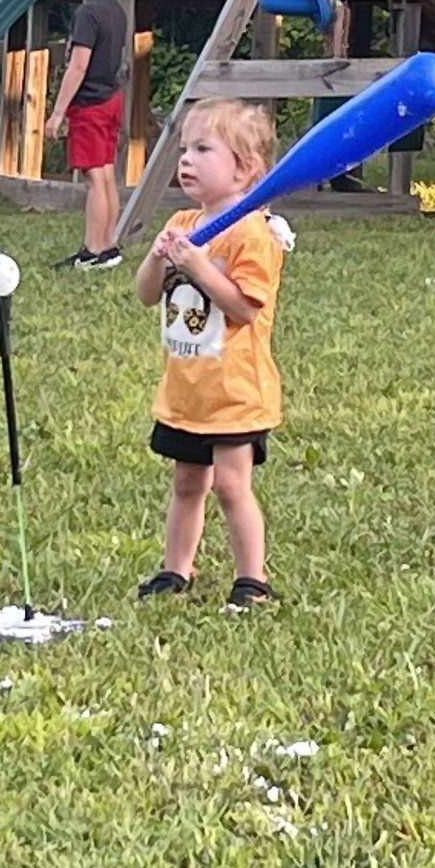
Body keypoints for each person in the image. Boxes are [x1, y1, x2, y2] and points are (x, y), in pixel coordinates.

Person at [134, 99, 287, 610]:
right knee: (186, 483)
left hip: (235, 391)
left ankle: (252, 579)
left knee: (230, 486)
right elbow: (146, 294)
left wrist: (199, 266)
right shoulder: (183, 221)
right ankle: (176, 568)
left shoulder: (252, 233)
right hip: (187, 390)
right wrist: (158, 258)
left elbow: (245, 308)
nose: (186, 159)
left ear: (244, 169)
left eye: (203, 149)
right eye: (185, 149)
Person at [46, 0, 129, 271]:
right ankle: (108, 246)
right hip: (111, 99)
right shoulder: (117, 11)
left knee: (94, 179)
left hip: (90, 105)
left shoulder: (88, 14)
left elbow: (78, 66)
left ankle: (92, 251)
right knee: (106, 174)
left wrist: (58, 112)